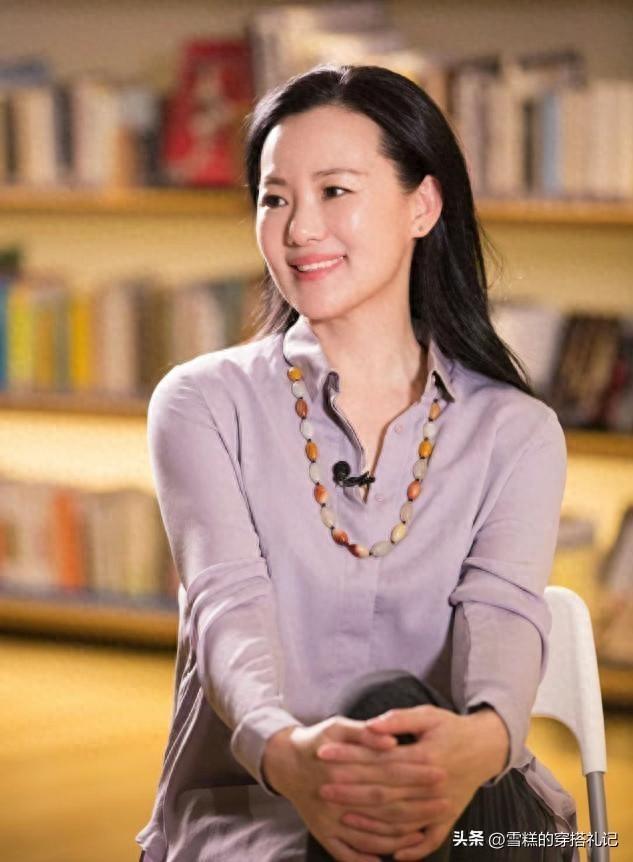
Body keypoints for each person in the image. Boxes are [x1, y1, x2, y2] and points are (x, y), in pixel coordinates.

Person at [135, 64, 579, 862]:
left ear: (422, 205)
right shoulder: (202, 403)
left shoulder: (516, 431)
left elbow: (502, 616)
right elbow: (225, 607)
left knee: (409, 735)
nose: (299, 228)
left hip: (469, 806)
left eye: (334, 190)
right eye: (274, 198)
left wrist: (478, 745)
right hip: (259, 811)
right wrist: (286, 755)